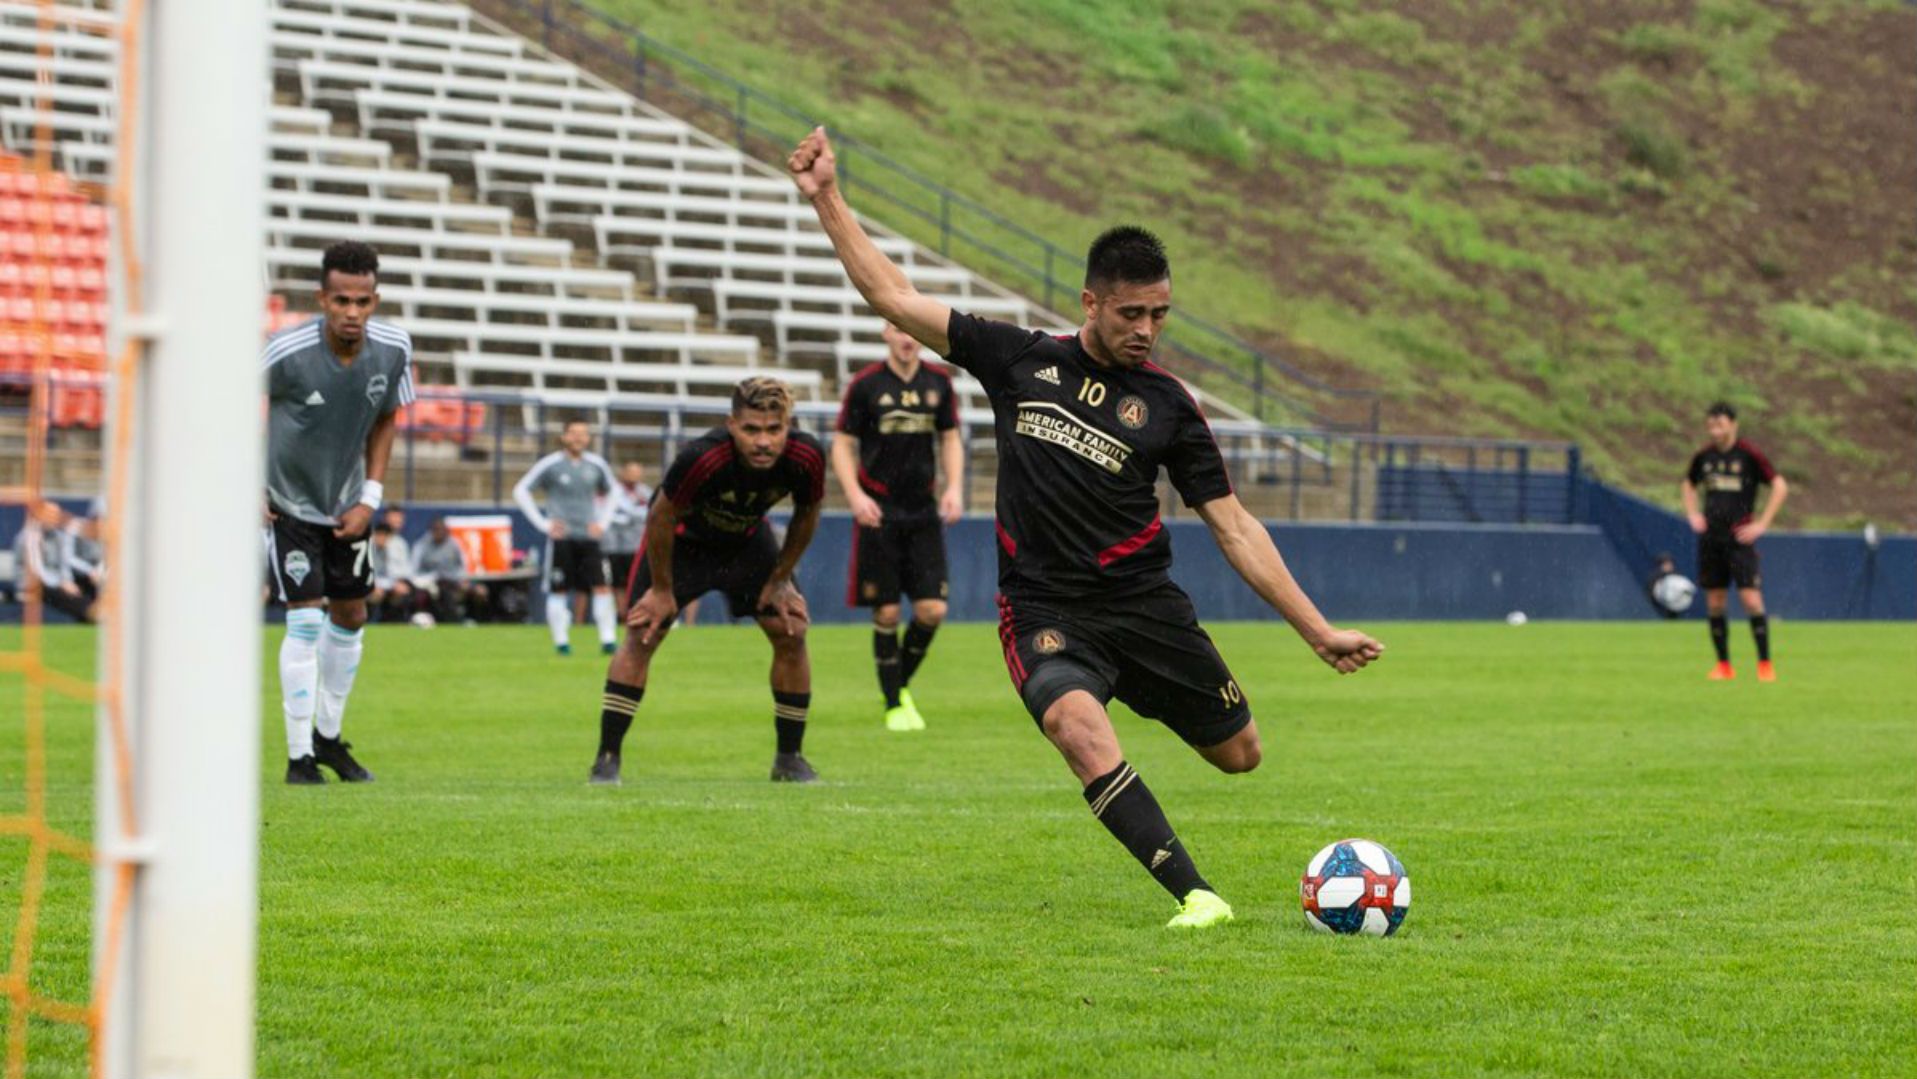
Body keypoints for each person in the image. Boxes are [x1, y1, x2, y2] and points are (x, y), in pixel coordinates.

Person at [790, 127, 1383, 928]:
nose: (1146, 328)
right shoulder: (1017, 359)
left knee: (1240, 755)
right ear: (1090, 302)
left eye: (1160, 315)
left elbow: (1234, 526)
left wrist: (1313, 629)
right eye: (1131, 312)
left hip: (1144, 607)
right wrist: (828, 196)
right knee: (1077, 728)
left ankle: (1137, 689)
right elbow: (893, 297)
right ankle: (1195, 894)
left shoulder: (1171, 407)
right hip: (1044, 611)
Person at [591, 377, 825, 786]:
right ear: (732, 424)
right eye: (752, 429)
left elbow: (807, 514)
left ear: (788, 426)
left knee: (791, 629)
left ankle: (789, 759)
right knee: (643, 632)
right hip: (682, 545)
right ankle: (607, 760)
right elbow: (661, 517)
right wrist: (662, 590)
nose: (764, 441)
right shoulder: (703, 457)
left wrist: (781, 578)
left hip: (746, 544)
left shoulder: (806, 456)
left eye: (774, 429)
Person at [263, 240, 413, 785]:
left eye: (363, 301)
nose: (352, 312)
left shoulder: (394, 347)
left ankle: (328, 739)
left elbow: (387, 418)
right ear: (321, 299)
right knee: (304, 619)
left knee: (351, 617)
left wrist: (370, 496)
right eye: (341, 301)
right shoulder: (284, 351)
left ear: (376, 300)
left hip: (348, 504)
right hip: (288, 503)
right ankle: (299, 757)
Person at [832, 321, 964, 731]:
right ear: (886, 333)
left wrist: (955, 487)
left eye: (912, 331)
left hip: (922, 511)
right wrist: (855, 496)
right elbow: (842, 442)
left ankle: (896, 685)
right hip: (880, 511)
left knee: (932, 610)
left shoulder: (938, 382)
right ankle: (894, 705)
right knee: (887, 612)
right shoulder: (866, 384)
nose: (907, 338)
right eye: (898, 329)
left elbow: (950, 437)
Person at [1681, 402, 1788, 681]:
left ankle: (1764, 664)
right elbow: (1688, 483)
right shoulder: (1704, 456)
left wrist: (1762, 523)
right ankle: (1724, 666)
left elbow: (1779, 485)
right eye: (1711, 425)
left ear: (1733, 424)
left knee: (1751, 600)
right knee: (1715, 601)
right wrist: (1693, 513)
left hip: (1740, 539)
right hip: (1711, 540)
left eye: (1720, 424)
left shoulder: (1748, 455)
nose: (1715, 430)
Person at [514, 420, 619, 655]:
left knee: (602, 587)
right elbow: (520, 491)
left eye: (583, 433)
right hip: (562, 538)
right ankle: (561, 642)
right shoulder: (551, 464)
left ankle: (608, 640)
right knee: (559, 589)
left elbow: (614, 492)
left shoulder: (597, 465)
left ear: (589, 438)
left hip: (590, 539)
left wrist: (602, 523)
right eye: (573, 433)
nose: (578, 438)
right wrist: (544, 524)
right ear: (563, 437)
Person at [13, 500, 96, 623]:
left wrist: (67, 581)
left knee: (85, 583)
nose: (54, 518)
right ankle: (90, 613)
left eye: (56, 515)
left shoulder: (58, 536)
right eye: (50, 514)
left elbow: (64, 565)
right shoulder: (30, 536)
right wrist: (60, 583)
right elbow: (37, 570)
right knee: (57, 592)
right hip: (33, 583)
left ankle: (93, 611)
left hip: (54, 581)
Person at [411, 516, 483, 623]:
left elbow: (463, 566)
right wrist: (425, 581)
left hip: (451, 581)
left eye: (441, 530)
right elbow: (414, 569)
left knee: (478, 592)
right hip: (427, 582)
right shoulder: (422, 545)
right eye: (435, 530)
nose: (439, 533)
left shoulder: (455, 544)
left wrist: (463, 580)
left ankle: (465, 620)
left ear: (446, 531)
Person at [604, 460, 652, 605]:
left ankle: (635, 611)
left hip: (636, 545)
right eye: (630, 472)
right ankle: (621, 615)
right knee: (617, 583)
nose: (633, 476)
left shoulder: (645, 492)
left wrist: (630, 514)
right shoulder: (612, 491)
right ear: (623, 473)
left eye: (637, 472)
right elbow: (606, 513)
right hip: (614, 545)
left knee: (638, 582)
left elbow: (650, 513)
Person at [367, 519, 416, 623]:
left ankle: (396, 623)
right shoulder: (368, 548)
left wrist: (397, 583)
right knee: (375, 594)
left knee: (401, 592)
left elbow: (404, 571)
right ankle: (371, 623)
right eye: (379, 535)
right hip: (372, 584)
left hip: (391, 583)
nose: (381, 538)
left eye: (384, 535)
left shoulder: (397, 547)